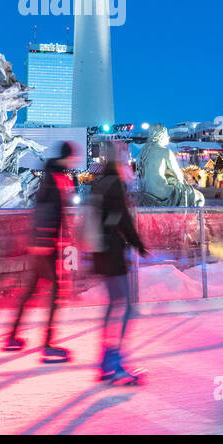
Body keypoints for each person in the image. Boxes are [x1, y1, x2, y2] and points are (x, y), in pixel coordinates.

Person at [4, 142, 75, 362]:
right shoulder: (55, 180)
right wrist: (47, 242)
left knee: (31, 292)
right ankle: (47, 344)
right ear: (66, 158)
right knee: (55, 294)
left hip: (41, 244)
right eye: (71, 159)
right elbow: (47, 212)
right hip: (46, 245)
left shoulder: (51, 176)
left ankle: (13, 336)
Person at [89, 143, 148, 383]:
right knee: (126, 307)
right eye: (125, 159)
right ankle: (115, 363)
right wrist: (138, 243)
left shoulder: (99, 183)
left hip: (100, 252)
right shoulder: (114, 185)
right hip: (111, 251)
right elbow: (121, 217)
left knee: (115, 305)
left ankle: (106, 362)